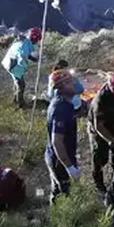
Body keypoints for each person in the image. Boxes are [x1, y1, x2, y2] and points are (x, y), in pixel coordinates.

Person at [45, 70, 80, 204]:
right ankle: (64, 221)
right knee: (64, 195)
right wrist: (69, 166)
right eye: (70, 82)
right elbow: (57, 142)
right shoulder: (60, 109)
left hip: (61, 157)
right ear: (63, 85)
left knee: (57, 190)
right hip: (58, 161)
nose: (74, 84)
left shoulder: (66, 103)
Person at [1, 28, 42, 109]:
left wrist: (34, 59)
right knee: (21, 85)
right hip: (13, 65)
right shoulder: (25, 46)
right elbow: (22, 57)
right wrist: (24, 67)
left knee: (16, 82)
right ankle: (20, 104)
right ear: (35, 39)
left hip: (8, 62)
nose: (37, 41)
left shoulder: (24, 42)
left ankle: (15, 99)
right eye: (37, 39)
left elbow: (26, 54)